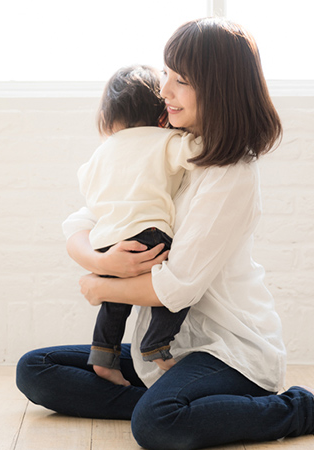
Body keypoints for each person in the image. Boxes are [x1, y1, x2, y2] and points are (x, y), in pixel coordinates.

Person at [17, 17, 314, 449]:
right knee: (36, 369)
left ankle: (305, 409)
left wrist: (99, 287)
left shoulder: (231, 174)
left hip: (227, 348)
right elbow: (83, 221)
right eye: (167, 75)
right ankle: (186, 406)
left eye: (182, 81)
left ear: (218, 89)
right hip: (164, 348)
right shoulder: (163, 148)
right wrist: (99, 261)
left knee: (157, 425)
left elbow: (178, 286)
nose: (165, 91)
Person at [78, 64, 203, 387]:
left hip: (108, 242)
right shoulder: (164, 139)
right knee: (176, 285)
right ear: (162, 114)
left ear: (107, 118)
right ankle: (157, 344)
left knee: (114, 304)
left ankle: (103, 355)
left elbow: (88, 190)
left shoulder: (100, 154)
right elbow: (196, 154)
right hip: (149, 234)